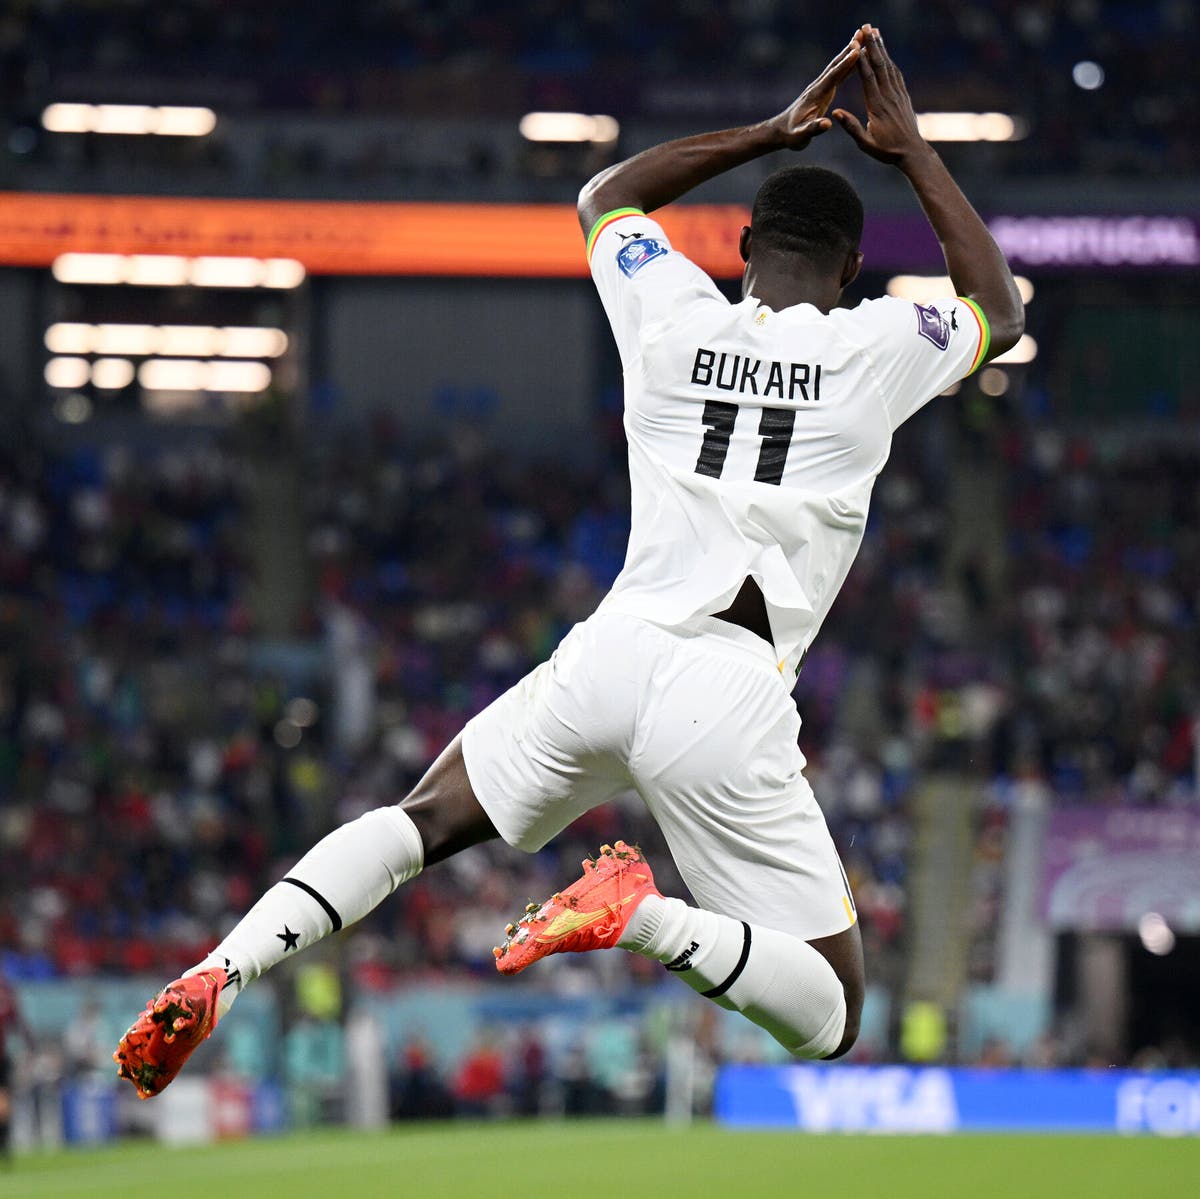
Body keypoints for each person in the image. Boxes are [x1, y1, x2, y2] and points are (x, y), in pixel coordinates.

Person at [115, 25, 1022, 1099]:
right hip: (728, 689)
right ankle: (640, 916)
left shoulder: (671, 312)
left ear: (741, 253)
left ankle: (223, 965)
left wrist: (769, 130)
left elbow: (604, 195)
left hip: (614, 649)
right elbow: (997, 312)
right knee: (832, 1010)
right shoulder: (872, 348)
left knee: (419, 824)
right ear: (854, 267)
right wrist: (911, 149)